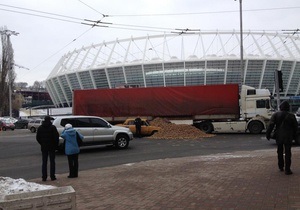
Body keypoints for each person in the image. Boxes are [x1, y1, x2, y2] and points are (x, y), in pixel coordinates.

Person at [266, 101, 298, 175]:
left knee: (279, 151)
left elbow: (271, 125)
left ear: (281, 107)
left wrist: (268, 134)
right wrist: (295, 136)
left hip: (279, 136)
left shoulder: (276, 114)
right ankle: (287, 169)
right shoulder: (291, 116)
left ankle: (281, 166)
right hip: (288, 136)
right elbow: (295, 127)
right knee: (288, 153)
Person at [36, 116, 59, 181]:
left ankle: (44, 177)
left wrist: (42, 143)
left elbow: (38, 138)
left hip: (44, 147)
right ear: (49, 120)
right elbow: (56, 137)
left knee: (44, 162)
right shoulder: (53, 127)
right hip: (52, 147)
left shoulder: (40, 128)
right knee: (52, 162)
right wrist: (55, 145)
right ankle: (52, 176)